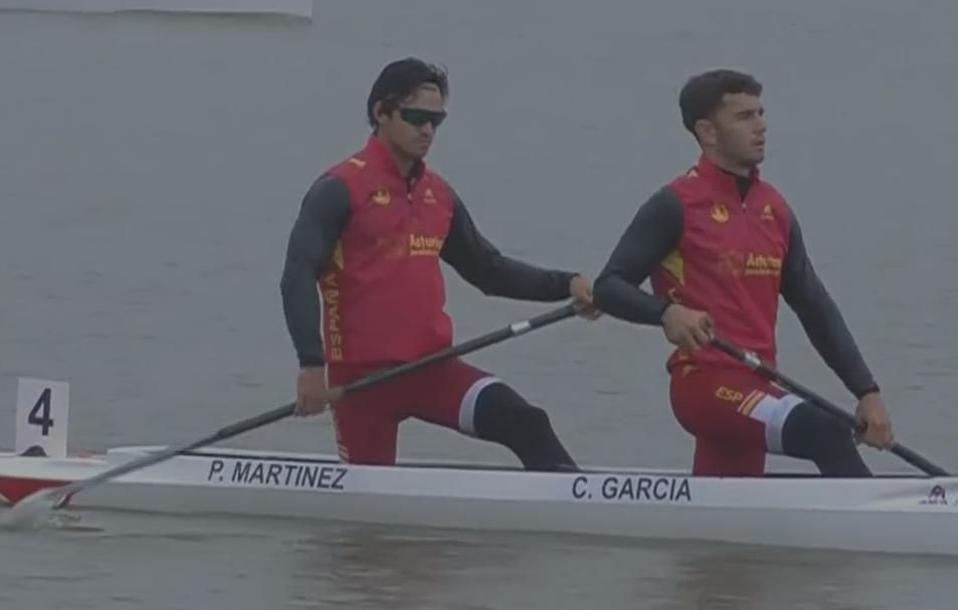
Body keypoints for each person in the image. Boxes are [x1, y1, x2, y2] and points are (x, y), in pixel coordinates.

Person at [280, 57, 597, 471]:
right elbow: (296, 275)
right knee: (370, 511)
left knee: (527, 422)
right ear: (381, 113)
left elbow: (488, 270)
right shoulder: (338, 189)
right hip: (360, 383)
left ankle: (576, 510)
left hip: (432, 370)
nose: (427, 130)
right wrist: (310, 365)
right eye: (415, 118)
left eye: (436, 121)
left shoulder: (439, 196)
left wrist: (568, 284)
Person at [593, 69, 893, 477]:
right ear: (707, 131)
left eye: (761, 113)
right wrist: (666, 313)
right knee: (827, 432)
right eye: (745, 117)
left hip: (758, 382)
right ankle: (878, 534)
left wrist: (867, 391)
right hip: (704, 383)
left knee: (723, 520)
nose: (761, 127)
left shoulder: (776, 209)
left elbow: (814, 305)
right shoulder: (675, 205)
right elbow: (609, 286)